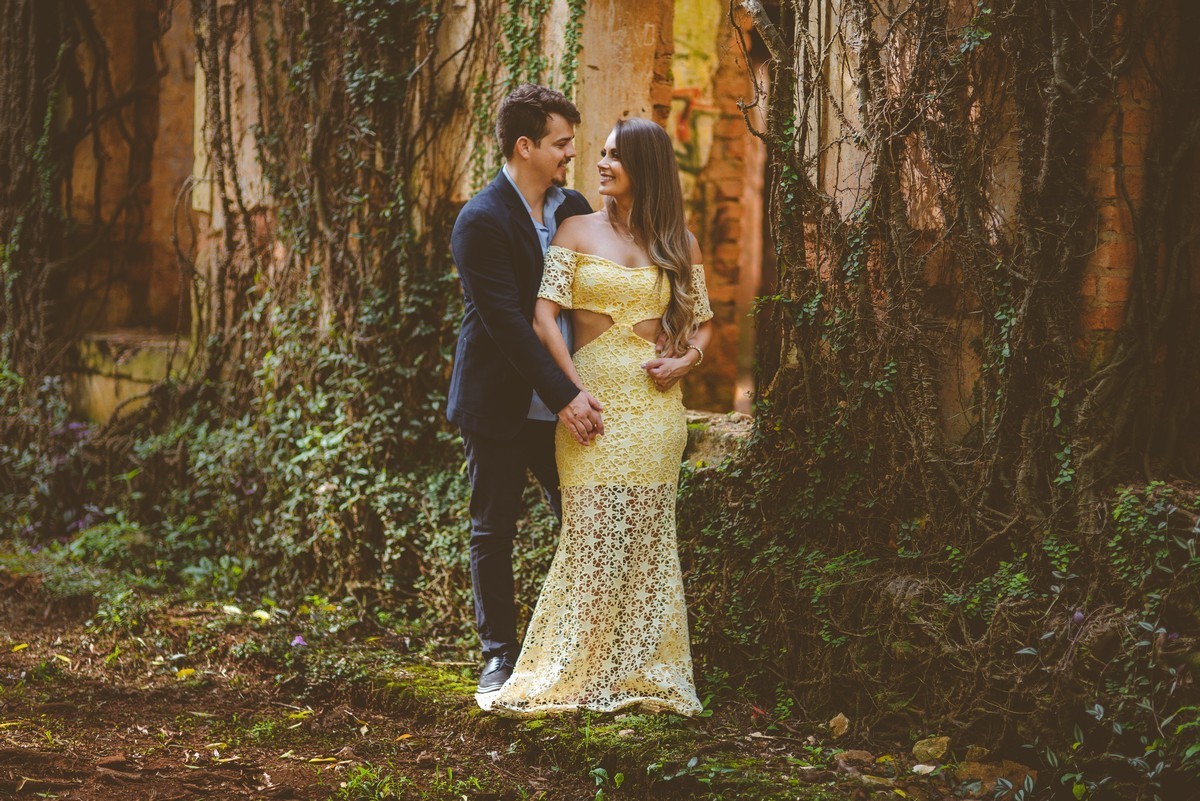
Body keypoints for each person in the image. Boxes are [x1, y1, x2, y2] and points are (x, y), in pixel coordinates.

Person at [487, 117, 714, 716]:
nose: (601, 163)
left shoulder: (680, 243)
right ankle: (576, 671)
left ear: (648, 166)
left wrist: (686, 360)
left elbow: (704, 322)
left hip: (658, 411)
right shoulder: (574, 228)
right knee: (590, 537)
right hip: (592, 407)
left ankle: (638, 669)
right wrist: (572, 391)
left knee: (647, 542)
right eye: (602, 153)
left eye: (616, 155)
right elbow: (542, 319)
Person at [446, 85, 606, 701]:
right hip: (501, 399)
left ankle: (577, 649)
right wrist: (565, 394)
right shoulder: (480, 219)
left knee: (583, 517)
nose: (571, 153)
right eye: (561, 143)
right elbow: (509, 324)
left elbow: (593, 296)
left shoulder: (574, 208)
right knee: (493, 529)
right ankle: (498, 656)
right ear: (525, 146)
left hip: (571, 393)